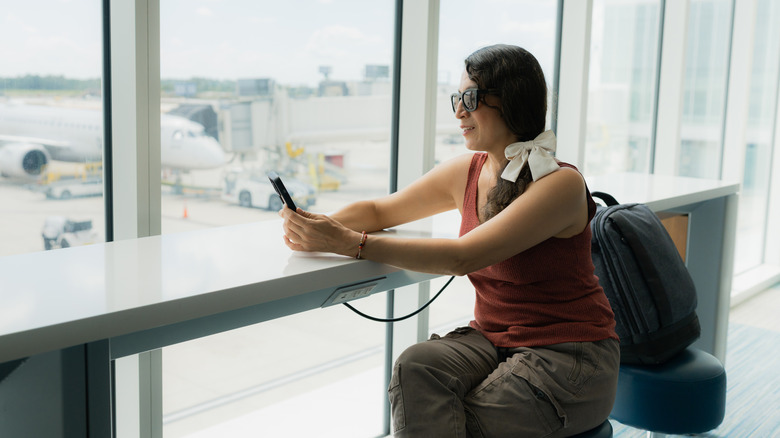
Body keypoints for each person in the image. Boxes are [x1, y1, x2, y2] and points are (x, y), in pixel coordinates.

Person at [280, 44, 619, 437]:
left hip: (569, 354)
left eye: (470, 99)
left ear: (510, 100)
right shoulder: (469, 171)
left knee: (462, 421)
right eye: (457, 98)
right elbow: (379, 211)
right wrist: (315, 226)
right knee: (415, 367)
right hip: (494, 341)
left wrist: (351, 243)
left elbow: (462, 257)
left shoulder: (560, 184)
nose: (459, 111)